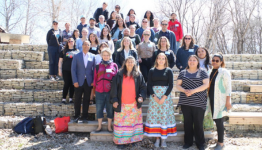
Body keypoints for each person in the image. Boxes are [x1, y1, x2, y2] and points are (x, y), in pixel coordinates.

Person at [110, 56, 146, 149]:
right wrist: (114, 100)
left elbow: (143, 87)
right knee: (121, 125)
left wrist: (141, 96)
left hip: (133, 105)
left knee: (132, 125)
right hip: (122, 104)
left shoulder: (138, 74)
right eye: (128, 62)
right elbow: (114, 88)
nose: (130, 63)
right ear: (125, 63)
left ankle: (132, 140)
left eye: (132, 62)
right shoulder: (119, 74)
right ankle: (120, 142)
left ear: (134, 63)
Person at [176, 55, 209, 150]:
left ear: (197, 62)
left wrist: (193, 91)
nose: (192, 61)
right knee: (187, 123)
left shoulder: (202, 72)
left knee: (198, 123)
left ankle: (200, 143)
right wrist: (184, 90)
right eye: (190, 60)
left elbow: (206, 84)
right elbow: (178, 85)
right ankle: (188, 142)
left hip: (199, 102)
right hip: (186, 102)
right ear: (188, 62)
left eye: (194, 60)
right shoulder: (183, 72)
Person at [145, 53, 177, 148]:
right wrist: (154, 96)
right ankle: (157, 139)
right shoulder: (151, 70)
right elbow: (149, 85)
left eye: (163, 58)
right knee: (155, 117)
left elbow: (171, 85)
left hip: (165, 97)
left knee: (163, 117)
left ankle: (163, 139)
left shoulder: (169, 70)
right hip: (154, 97)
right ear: (157, 60)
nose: (161, 60)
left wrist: (163, 97)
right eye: (159, 58)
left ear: (165, 60)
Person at [207, 53, 232, 150]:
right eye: (213, 60)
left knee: (219, 121)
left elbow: (228, 87)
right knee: (216, 121)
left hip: (221, 101)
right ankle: (219, 142)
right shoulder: (210, 71)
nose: (214, 62)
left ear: (221, 62)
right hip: (212, 99)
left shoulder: (224, 72)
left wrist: (228, 101)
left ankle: (221, 143)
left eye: (217, 60)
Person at [93, 48, 118, 133]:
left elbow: (116, 79)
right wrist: (94, 90)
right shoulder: (97, 65)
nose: (106, 57)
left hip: (110, 91)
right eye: (104, 55)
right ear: (101, 56)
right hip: (99, 90)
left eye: (107, 55)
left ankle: (109, 127)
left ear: (110, 56)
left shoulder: (114, 65)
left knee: (110, 109)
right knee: (99, 108)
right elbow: (95, 79)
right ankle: (99, 126)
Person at [71, 40, 96, 123]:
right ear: (82, 46)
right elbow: (73, 69)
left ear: (90, 46)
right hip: (78, 81)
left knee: (86, 99)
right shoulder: (76, 56)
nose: (86, 46)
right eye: (85, 44)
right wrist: (75, 81)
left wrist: (93, 80)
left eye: (88, 45)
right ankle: (77, 116)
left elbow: (94, 70)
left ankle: (85, 116)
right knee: (77, 99)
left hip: (88, 81)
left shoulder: (93, 56)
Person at [195, 47, 213, 130]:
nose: (200, 53)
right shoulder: (193, 62)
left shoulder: (211, 63)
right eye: (198, 51)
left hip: (207, 88)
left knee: (206, 107)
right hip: (195, 88)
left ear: (206, 52)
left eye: (202, 51)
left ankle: (206, 127)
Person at [58, 38, 79, 104]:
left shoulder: (77, 51)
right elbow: (60, 61)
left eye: (71, 41)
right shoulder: (64, 51)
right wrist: (60, 70)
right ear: (67, 43)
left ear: (74, 42)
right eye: (69, 41)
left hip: (74, 71)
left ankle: (70, 99)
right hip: (66, 70)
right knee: (66, 84)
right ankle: (64, 99)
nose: (70, 42)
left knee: (72, 85)